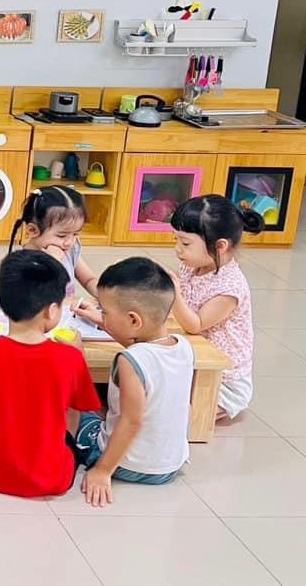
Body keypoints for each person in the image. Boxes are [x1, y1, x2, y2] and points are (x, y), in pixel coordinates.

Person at [0, 250, 101, 498]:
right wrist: (80, 355)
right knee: (72, 409)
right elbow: (78, 406)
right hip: (53, 478)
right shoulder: (71, 357)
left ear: (2, 304)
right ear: (51, 310)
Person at [73, 257, 194, 506]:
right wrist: (103, 322)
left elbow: (132, 421)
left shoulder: (130, 361)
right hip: (169, 465)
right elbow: (143, 347)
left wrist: (102, 471)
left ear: (133, 321)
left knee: (78, 412)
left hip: (128, 466)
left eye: (105, 312)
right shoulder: (183, 347)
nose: (102, 316)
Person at [169, 194, 261, 420]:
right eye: (176, 240)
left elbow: (195, 325)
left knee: (171, 414)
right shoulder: (193, 265)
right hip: (193, 359)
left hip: (222, 380)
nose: (178, 249)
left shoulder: (229, 288)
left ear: (220, 246)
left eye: (185, 243)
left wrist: (174, 294)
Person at [9, 186, 97, 299]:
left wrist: (105, 296)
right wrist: (51, 263)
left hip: (67, 309)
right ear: (32, 230)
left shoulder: (68, 250)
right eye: (61, 236)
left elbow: (88, 279)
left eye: (75, 234)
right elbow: (33, 300)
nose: (69, 242)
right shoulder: (22, 263)